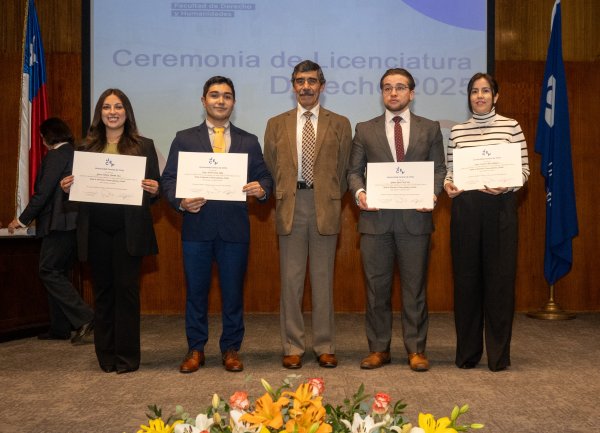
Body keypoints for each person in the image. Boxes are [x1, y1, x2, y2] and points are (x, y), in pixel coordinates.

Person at [161, 76, 273, 373]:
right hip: (196, 229)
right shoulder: (184, 138)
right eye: (214, 95)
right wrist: (180, 201)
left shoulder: (249, 141)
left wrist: (262, 190)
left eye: (226, 96)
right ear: (203, 101)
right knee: (195, 292)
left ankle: (231, 349)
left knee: (233, 293)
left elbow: (265, 177)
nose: (220, 101)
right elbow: (168, 179)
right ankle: (195, 348)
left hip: (234, 230)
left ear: (233, 102)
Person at [347, 68, 446, 372]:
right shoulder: (365, 129)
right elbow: (353, 172)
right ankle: (379, 349)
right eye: (387, 87)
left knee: (414, 289)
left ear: (411, 93)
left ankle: (416, 349)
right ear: (382, 93)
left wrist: (433, 194)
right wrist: (360, 193)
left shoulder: (430, 128)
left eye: (400, 87)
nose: (393, 93)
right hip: (375, 221)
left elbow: (439, 169)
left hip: (415, 221)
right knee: (377, 289)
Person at [61, 89, 160, 374]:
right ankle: (106, 356)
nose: (112, 112)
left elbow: (155, 191)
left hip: (129, 231)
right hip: (95, 231)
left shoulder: (144, 145)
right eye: (106, 107)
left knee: (127, 293)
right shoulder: (85, 148)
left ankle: (127, 358)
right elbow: (77, 193)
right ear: (100, 113)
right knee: (103, 294)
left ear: (127, 112)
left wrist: (155, 189)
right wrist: (68, 188)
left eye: (118, 107)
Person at [264, 60, 352, 369]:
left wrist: (328, 194)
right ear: (293, 86)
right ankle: (293, 345)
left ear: (322, 86)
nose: (306, 86)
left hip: (325, 205)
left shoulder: (340, 123)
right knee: (291, 281)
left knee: (323, 279)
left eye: (312, 81)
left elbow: (343, 170)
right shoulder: (276, 123)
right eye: (300, 81)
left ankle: (324, 345)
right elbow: (271, 165)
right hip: (290, 206)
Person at [444, 72, 529, 372]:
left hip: (500, 209)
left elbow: (524, 171)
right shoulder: (457, 131)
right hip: (466, 210)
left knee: (499, 283)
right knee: (466, 283)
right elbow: (451, 170)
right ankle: (468, 354)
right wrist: (448, 184)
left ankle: (498, 356)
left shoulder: (511, 126)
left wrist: (507, 184)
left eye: (485, 91)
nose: (479, 96)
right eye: (474, 91)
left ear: (496, 96)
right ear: (468, 97)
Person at [7, 117, 94, 344]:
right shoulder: (75, 153)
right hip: (73, 223)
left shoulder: (56, 155)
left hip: (59, 223)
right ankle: (60, 328)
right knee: (59, 272)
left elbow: (43, 193)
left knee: (48, 270)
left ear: (46, 136)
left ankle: (85, 316)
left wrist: (21, 220)